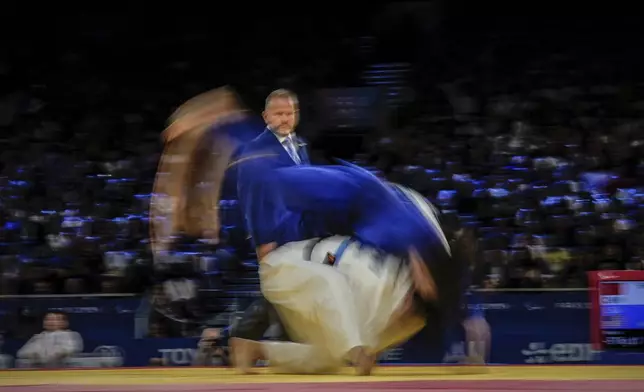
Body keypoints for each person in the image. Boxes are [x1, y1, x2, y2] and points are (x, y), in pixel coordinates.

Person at [229, 163, 467, 375]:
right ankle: (352, 348)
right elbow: (268, 183)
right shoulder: (365, 194)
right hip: (295, 262)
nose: (425, 286)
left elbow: (442, 299)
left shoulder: (419, 296)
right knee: (328, 283)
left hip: (322, 273)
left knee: (329, 357)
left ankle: (258, 350)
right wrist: (263, 237)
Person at [16, 312, 83, 368]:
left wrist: (60, 353)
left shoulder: (69, 334)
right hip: (39, 370)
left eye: (54, 319)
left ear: (60, 322)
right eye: (47, 319)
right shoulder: (37, 337)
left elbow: (72, 348)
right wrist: (32, 354)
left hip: (62, 369)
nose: (50, 322)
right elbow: (21, 353)